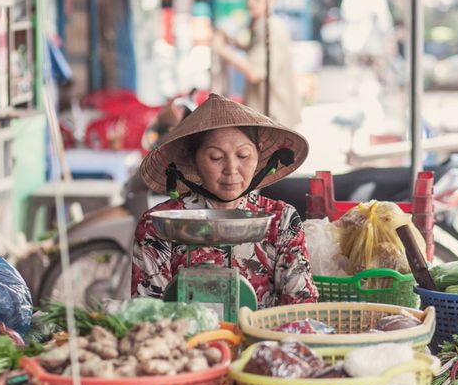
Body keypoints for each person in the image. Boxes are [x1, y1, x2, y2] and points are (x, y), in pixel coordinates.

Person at [132, 93, 318, 307]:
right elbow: (149, 312)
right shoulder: (155, 225)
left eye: (243, 156)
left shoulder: (282, 220)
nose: (231, 169)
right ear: (193, 161)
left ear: (258, 156)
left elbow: (300, 306)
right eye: (216, 157)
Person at [211, 0, 302, 129]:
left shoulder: (270, 27)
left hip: (275, 117)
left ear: (272, 1)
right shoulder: (260, 24)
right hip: (267, 115)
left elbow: (255, 72)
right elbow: (258, 54)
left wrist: (221, 49)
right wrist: (233, 43)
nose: (250, 3)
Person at [339, 0, 396, 87]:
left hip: (352, 45)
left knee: (354, 79)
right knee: (377, 81)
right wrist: (390, 41)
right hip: (374, 46)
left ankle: (354, 101)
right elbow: (385, 24)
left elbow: (344, 20)